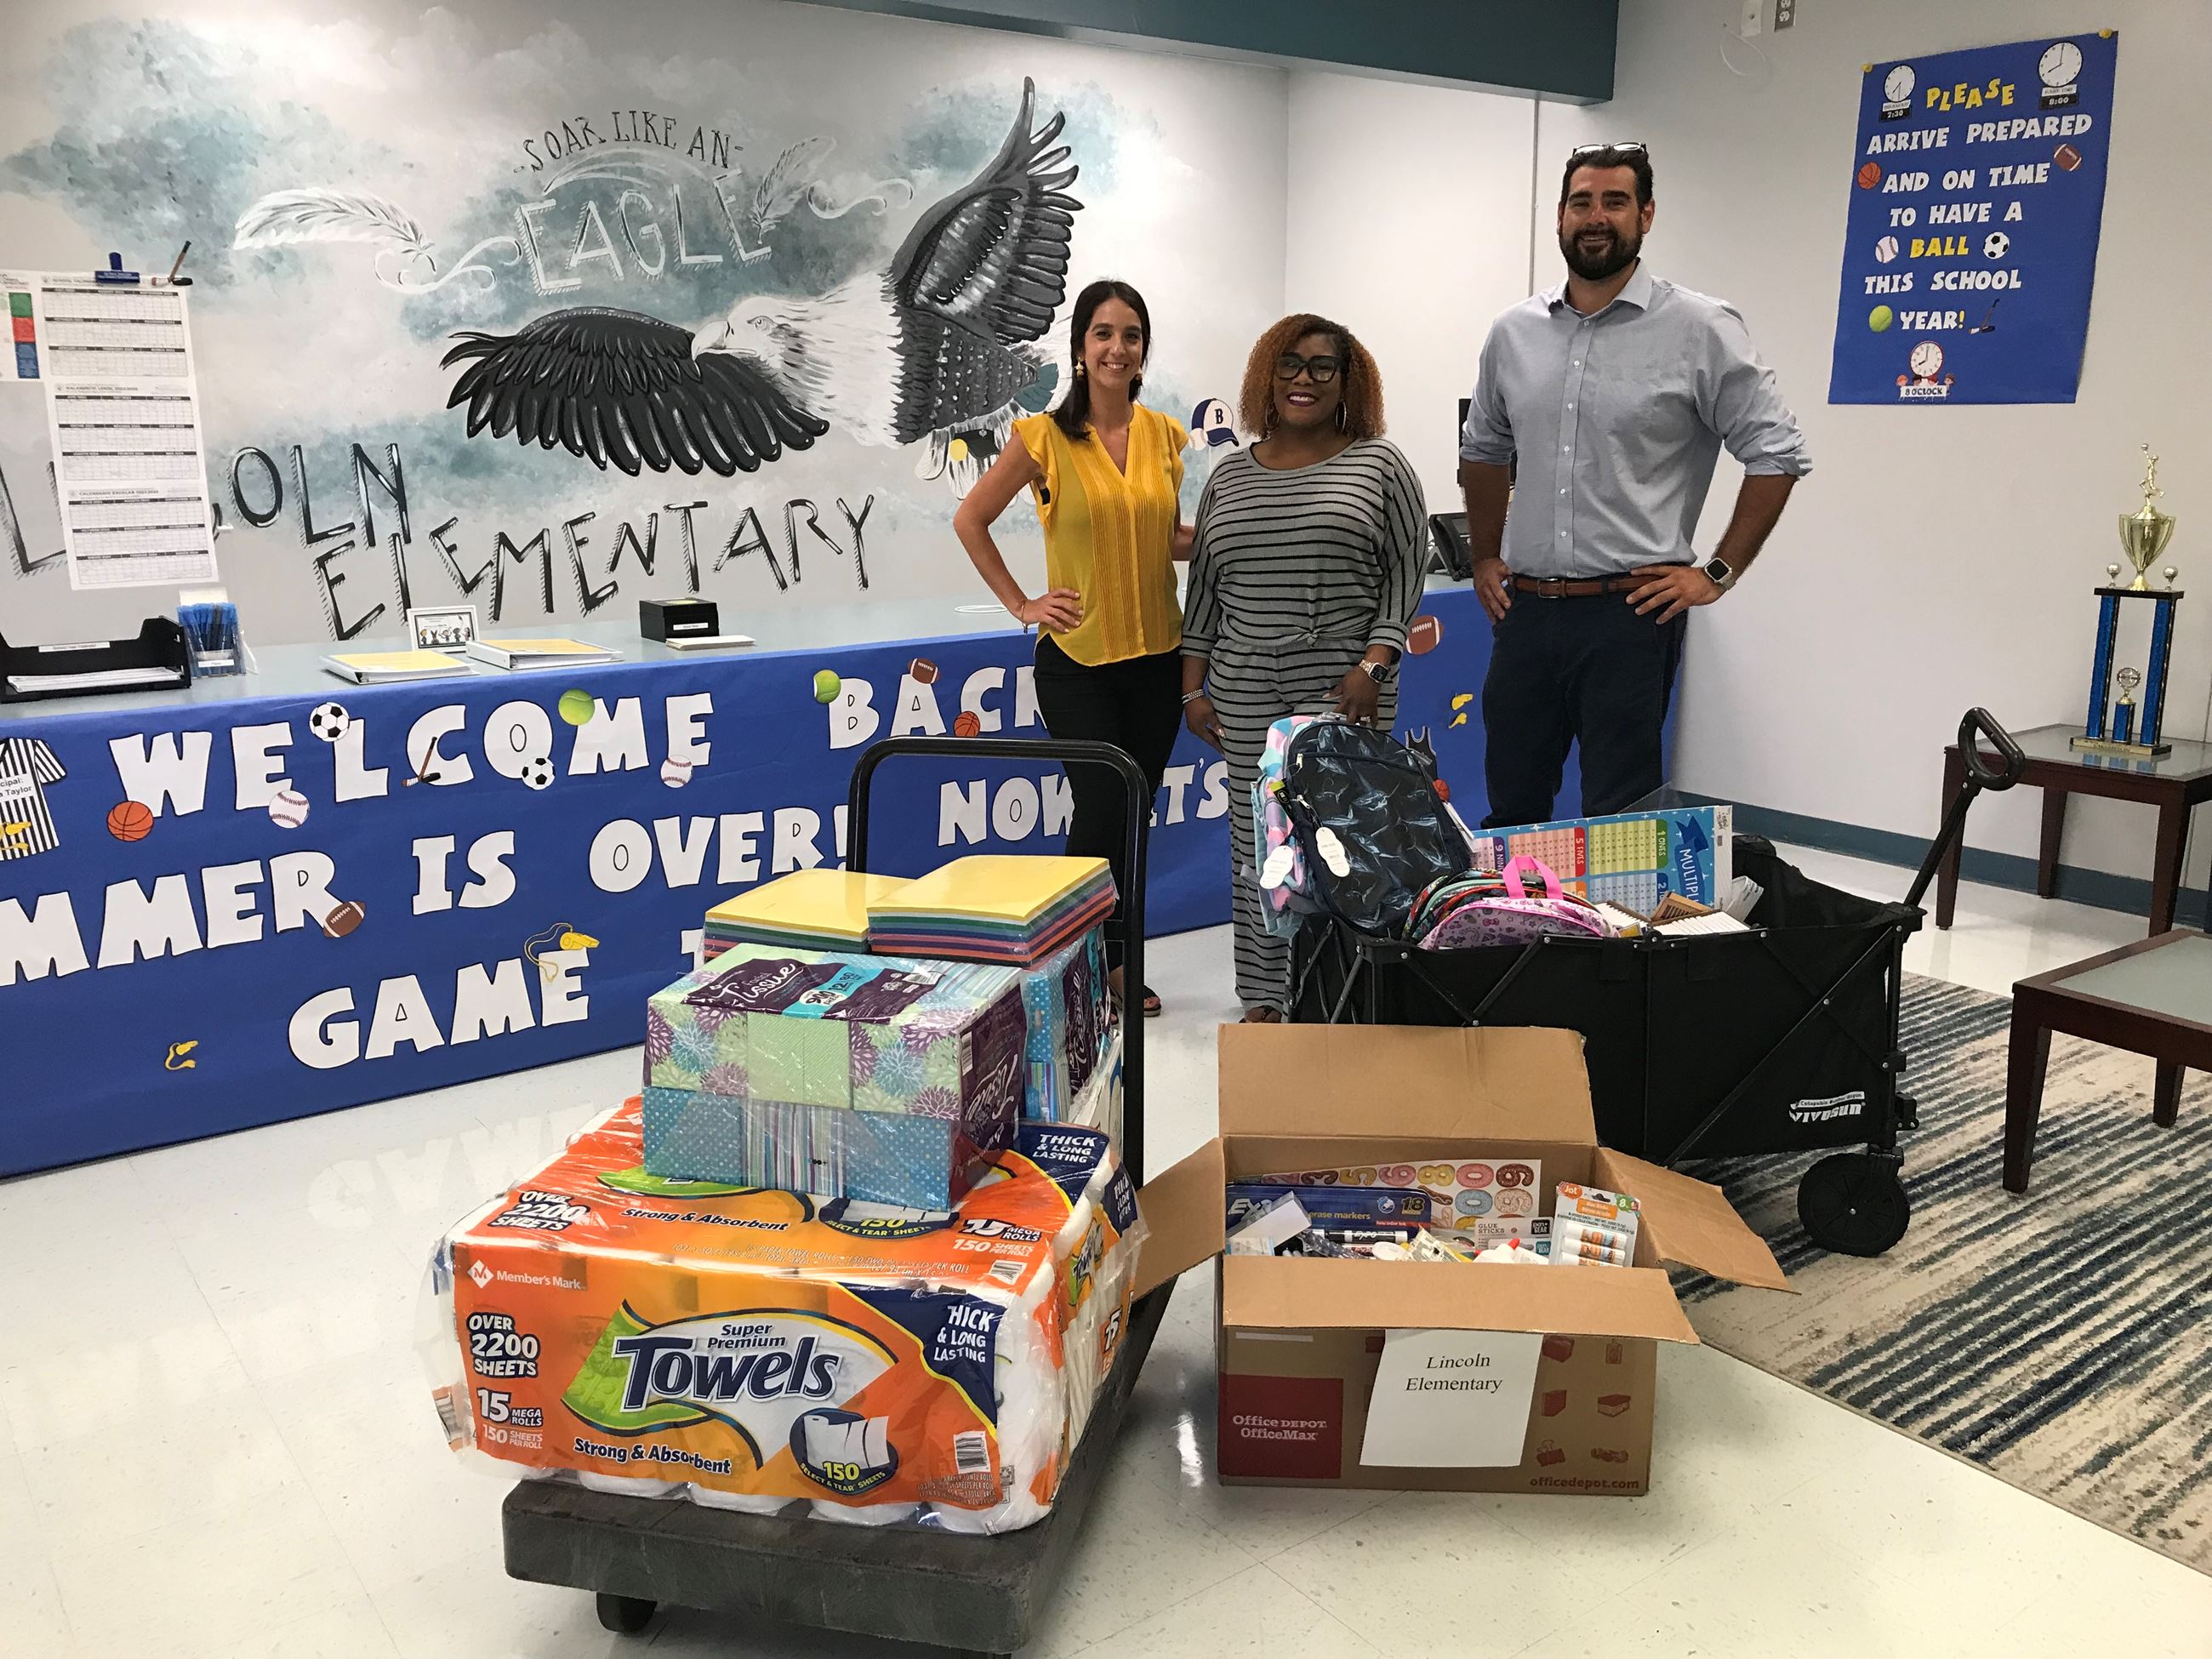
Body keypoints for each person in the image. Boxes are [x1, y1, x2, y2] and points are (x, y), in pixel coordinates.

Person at [1461, 142, 1810, 829]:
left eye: (1615, 202)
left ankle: (1608, 941)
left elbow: (1777, 453)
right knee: (1511, 807)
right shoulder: (1514, 333)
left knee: (1621, 819)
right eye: (1581, 202)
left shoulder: (1700, 327)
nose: (1596, 217)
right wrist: (1482, 555)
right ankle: (1517, 936)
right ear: (1559, 218)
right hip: (1525, 613)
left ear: (1646, 215)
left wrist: (1717, 570)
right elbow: (1483, 449)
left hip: (1631, 614)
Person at [954, 278, 1191, 1018]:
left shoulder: (1165, 436)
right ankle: (1091, 965)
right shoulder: (1043, 438)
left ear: (1143, 350)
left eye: (1131, 334)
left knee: (1134, 815)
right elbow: (971, 520)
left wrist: (1231, 535)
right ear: (1081, 349)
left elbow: (1167, 538)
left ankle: (1115, 959)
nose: (1117, 347)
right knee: (1100, 812)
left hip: (1156, 658)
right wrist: (1023, 604)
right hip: (1078, 663)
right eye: (1103, 333)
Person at [1181, 315, 1426, 1023]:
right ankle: (1265, 997)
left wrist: (1374, 668)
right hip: (1243, 687)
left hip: (1342, 685)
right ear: (1267, 375)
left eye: (1323, 367)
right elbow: (1203, 594)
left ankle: (1337, 993)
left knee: (1343, 843)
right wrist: (1192, 690)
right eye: (1290, 364)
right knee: (1258, 848)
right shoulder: (1228, 474)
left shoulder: (1379, 464)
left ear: (1350, 382)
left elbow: (1404, 577)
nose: (1304, 380)